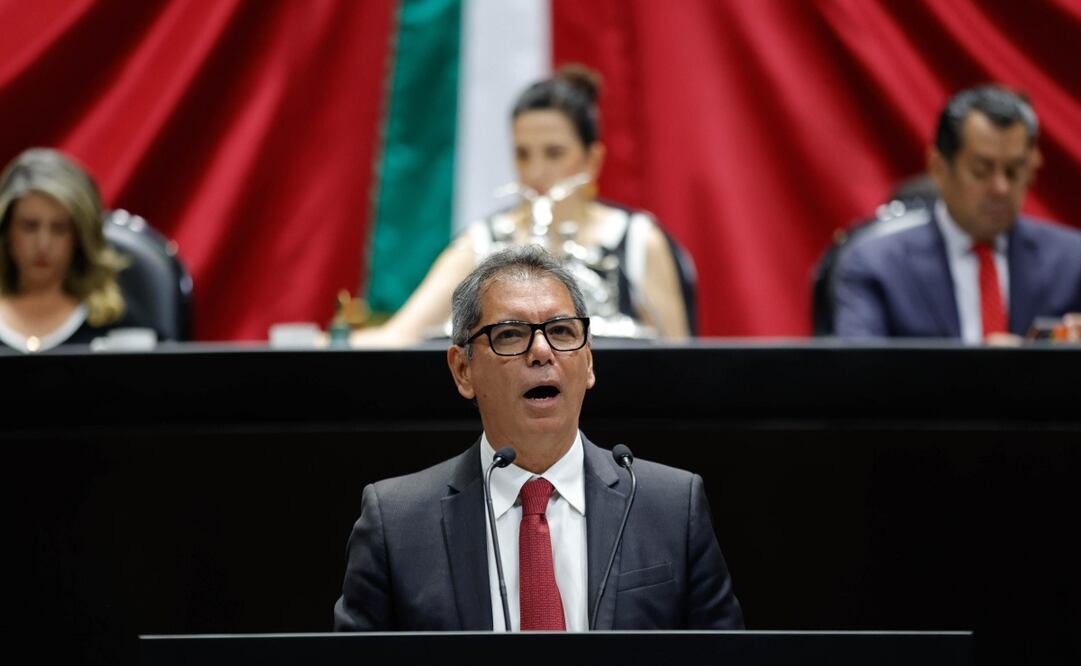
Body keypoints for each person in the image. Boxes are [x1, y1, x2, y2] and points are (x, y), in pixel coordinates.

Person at [334, 246, 742, 631]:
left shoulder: (672, 507)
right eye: (510, 334)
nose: (542, 351)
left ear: (589, 362)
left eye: (562, 331)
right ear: (463, 370)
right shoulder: (397, 522)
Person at [351, 65, 691, 346]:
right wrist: (324, 344)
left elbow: (679, 362)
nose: (536, 171)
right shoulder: (483, 244)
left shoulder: (637, 242)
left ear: (592, 160)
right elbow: (400, 335)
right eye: (523, 154)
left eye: (554, 153)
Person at [832, 84, 1081, 342]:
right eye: (981, 170)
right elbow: (858, 376)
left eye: (1014, 171)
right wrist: (989, 370)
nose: (1001, 188)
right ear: (938, 166)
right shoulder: (878, 266)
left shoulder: (1073, 263)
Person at [0, 148, 131, 352]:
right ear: (7, 230)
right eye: (29, 226)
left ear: (79, 236)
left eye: (59, 228)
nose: (43, 244)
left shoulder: (117, 324)